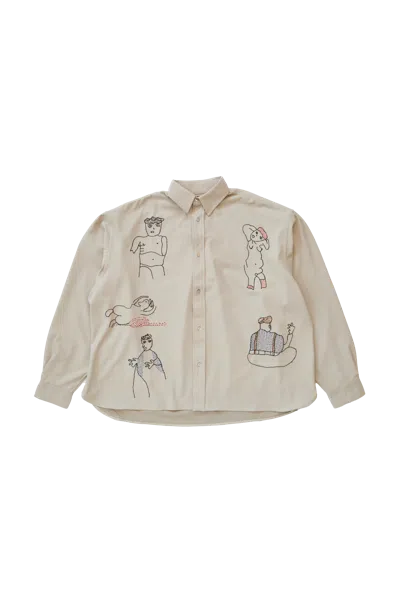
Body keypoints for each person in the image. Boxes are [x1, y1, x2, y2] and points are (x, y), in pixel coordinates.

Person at [128, 334, 166, 398]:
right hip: (145, 376)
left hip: (154, 375)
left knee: (155, 388)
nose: (145, 344)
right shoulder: (142, 354)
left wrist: (153, 363)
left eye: (149, 341)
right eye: (144, 342)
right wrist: (135, 362)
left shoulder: (152, 353)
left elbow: (157, 362)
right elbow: (140, 361)